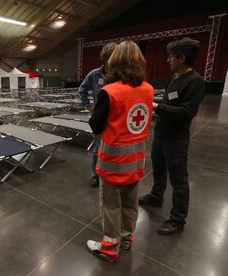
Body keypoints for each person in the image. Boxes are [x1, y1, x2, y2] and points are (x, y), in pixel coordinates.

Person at [86, 41, 154, 262]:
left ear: (114, 62)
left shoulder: (109, 92)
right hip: (136, 160)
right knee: (130, 202)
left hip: (113, 162)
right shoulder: (148, 89)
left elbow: (95, 125)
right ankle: (126, 238)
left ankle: (109, 248)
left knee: (111, 205)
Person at [139, 37, 205, 235]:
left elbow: (186, 113)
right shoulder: (175, 78)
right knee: (158, 170)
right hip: (161, 134)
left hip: (176, 139)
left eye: (171, 57)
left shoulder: (196, 82)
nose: (168, 60)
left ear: (181, 58)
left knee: (179, 180)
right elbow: (171, 105)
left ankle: (177, 218)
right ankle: (156, 197)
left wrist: (158, 106)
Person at [79, 42, 117, 188]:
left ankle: (111, 173)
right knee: (97, 148)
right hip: (100, 119)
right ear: (104, 58)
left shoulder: (120, 75)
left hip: (116, 118)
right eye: (108, 59)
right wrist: (89, 106)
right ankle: (95, 175)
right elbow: (82, 90)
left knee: (114, 148)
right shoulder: (94, 75)